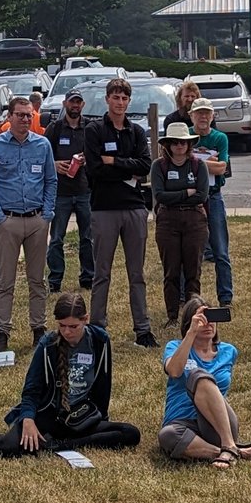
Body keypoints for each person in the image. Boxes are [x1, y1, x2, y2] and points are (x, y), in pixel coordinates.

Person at [0, 292, 140, 457]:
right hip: (50, 414)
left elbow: (103, 384)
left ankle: (60, 445)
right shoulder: (47, 344)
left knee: (131, 433)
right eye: (62, 325)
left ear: (86, 319)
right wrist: (28, 420)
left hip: (81, 415)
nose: (67, 331)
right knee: (7, 448)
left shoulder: (100, 340)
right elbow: (32, 389)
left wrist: (101, 418)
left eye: (73, 326)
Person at [0, 97, 56, 351]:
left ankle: (38, 329)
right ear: (9, 117)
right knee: (5, 280)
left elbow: (50, 181)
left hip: (36, 220)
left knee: (37, 279)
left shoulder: (42, 145)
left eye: (29, 115)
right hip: (8, 221)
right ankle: (2, 331)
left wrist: (47, 213)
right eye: (20, 115)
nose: (25, 119)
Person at [85, 79, 155, 345]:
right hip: (104, 208)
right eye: (115, 97)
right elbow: (94, 169)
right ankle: (97, 328)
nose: (120, 102)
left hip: (134, 207)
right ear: (107, 99)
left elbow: (145, 165)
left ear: (129, 101)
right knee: (101, 272)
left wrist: (114, 161)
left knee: (136, 273)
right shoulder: (94, 130)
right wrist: (128, 169)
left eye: (124, 98)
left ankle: (143, 329)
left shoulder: (136, 131)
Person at [157, 299, 251, 465]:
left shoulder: (228, 351)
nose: (208, 324)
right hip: (181, 424)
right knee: (167, 436)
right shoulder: (175, 346)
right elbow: (174, 371)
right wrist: (191, 334)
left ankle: (228, 444)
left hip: (218, 425)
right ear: (190, 323)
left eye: (212, 318)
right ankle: (232, 451)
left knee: (200, 377)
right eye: (202, 319)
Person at [149, 119, 212, 325]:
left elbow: (202, 196)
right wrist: (186, 192)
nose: (179, 145)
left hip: (195, 220)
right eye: (175, 142)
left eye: (183, 142)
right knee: (171, 270)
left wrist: (174, 194)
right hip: (167, 221)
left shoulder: (198, 165)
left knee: (194, 269)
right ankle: (172, 316)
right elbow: (159, 195)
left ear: (189, 144)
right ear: (167, 145)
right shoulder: (159, 166)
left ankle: (194, 314)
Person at [42, 90, 95, 293]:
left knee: (87, 238)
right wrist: (54, 165)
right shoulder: (55, 128)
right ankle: (55, 280)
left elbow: (99, 154)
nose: (75, 105)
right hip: (60, 192)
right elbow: (42, 155)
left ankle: (88, 277)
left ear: (83, 105)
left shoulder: (90, 127)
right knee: (56, 238)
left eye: (78, 102)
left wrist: (86, 159)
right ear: (65, 104)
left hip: (85, 190)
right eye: (72, 102)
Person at [189, 101, 234, 315]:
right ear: (192, 116)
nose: (203, 117)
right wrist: (209, 160)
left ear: (213, 115)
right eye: (199, 114)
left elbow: (222, 167)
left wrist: (194, 160)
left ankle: (225, 296)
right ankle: (186, 296)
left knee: (220, 250)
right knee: (189, 251)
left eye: (207, 113)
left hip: (214, 197)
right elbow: (175, 161)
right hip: (189, 198)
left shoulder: (220, 138)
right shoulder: (185, 135)